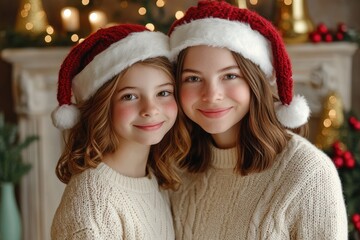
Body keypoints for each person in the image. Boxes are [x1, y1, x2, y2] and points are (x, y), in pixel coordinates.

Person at [168, 1, 348, 239]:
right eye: (192, 78)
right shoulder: (176, 166)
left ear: (256, 82)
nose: (211, 95)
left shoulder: (308, 173)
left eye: (230, 75)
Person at [50, 24, 189, 239]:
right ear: (103, 106)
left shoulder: (154, 178)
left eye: (163, 92)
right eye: (130, 96)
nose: (150, 110)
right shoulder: (93, 205)